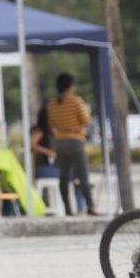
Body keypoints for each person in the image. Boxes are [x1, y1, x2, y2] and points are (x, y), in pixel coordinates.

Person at [46, 73, 99, 216]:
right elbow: (86, 120)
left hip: (60, 142)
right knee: (83, 176)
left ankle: (68, 209)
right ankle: (90, 207)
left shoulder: (52, 103)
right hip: (75, 140)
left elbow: (51, 124)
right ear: (70, 86)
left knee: (63, 176)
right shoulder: (76, 101)